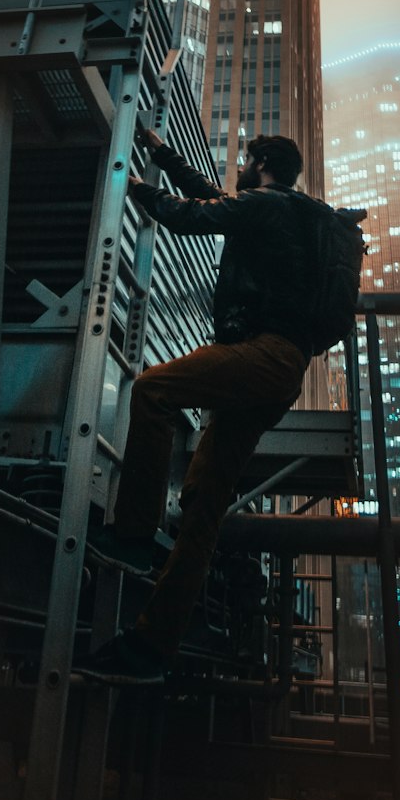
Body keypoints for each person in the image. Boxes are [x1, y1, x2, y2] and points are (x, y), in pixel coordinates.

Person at [73, 128, 313, 685]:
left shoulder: (267, 205)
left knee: (153, 389)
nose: (239, 166)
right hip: (279, 369)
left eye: (245, 159)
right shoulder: (276, 212)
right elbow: (210, 195)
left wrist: (137, 188)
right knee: (204, 504)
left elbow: (191, 216)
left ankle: (132, 536)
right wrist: (162, 156)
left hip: (265, 355)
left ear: (261, 163)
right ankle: (151, 649)